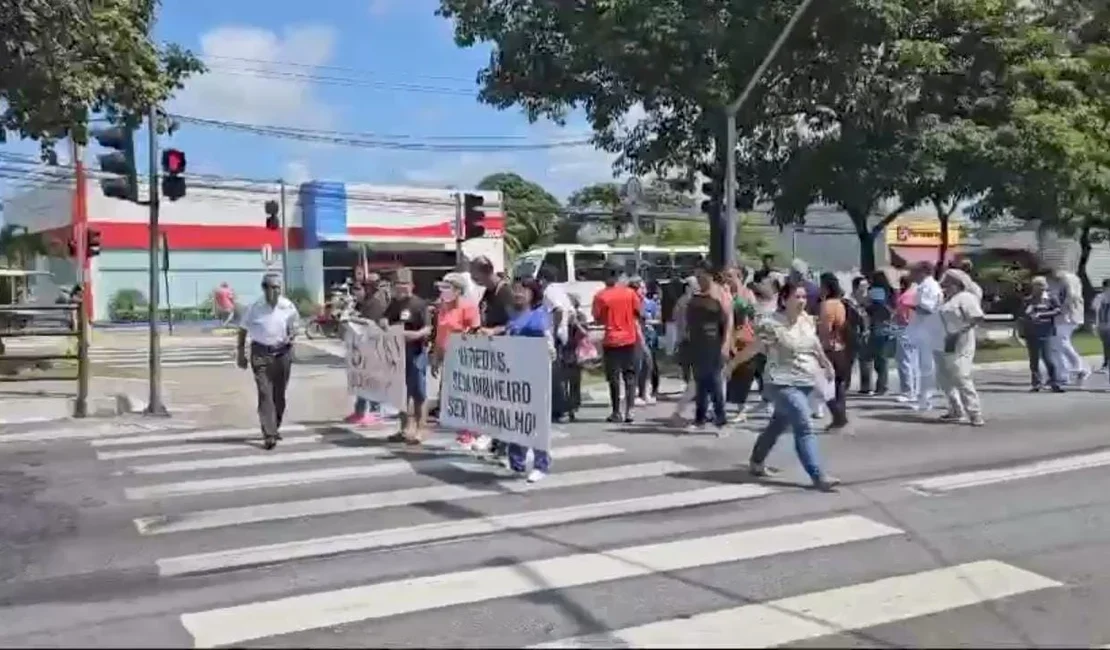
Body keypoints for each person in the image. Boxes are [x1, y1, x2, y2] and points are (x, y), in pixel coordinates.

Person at [732, 279, 839, 491]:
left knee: (777, 425)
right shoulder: (771, 324)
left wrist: (826, 363)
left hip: (805, 381)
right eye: (796, 296)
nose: (802, 301)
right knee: (804, 424)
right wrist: (730, 366)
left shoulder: (806, 320)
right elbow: (754, 348)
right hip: (780, 383)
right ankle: (818, 475)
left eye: (804, 297)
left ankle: (756, 462)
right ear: (784, 299)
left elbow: (815, 344)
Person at [236, 273, 299, 450]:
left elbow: (295, 326)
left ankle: (275, 425)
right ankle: (269, 434)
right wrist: (241, 354)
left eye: (277, 287)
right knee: (265, 393)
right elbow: (242, 330)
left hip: (282, 353)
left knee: (279, 395)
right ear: (264, 288)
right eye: (270, 287)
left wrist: (293, 335)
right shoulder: (254, 308)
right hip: (260, 353)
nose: (274, 291)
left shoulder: (288, 306)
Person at [505, 277, 557, 482]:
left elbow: (546, 339)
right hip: (516, 374)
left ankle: (541, 464)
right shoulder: (516, 315)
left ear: (532, 294)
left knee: (536, 421)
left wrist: (549, 349)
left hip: (534, 374)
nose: (518, 294)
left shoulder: (538, 316)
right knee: (517, 418)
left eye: (522, 291)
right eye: (516, 290)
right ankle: (516, 460)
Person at [431, 272, 482, 447]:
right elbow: (440, 334)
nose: (443, 292)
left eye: (447, 288)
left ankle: (472, 431)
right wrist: (436, 357)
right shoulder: (443, 309)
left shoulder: (468, 307)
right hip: (448, 357)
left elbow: (475, 331)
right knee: (454, 395)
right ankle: (463, 429)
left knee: (468, 395)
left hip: (464, 357)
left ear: (458, 290)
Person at [471, 256, 515, 454]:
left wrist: (494, 331)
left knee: (503, 399)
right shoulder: (488, 292)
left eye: (474, 274)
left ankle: (506, 441)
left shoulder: (505, 292)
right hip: (490, 350)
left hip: (505, 349)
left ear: (484, 272)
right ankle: (497, 439)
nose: (473, 278)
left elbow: (515, 322)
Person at [383, 268, 432, 445]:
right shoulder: (395, 304)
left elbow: (427, 328)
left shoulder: (419, 304)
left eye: (403, 284)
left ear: (411, 285)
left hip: (416, 351)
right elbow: (385, 319)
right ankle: (404, 427)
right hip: (398, 353)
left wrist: (414, 334)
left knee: (418, 391)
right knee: (400, 392)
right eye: (397, 284)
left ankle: (420, 428)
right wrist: (385, 324)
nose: (400, 288)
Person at [683, 262, 730, 433]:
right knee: (700, 382)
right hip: (697, 343)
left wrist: (726, 344)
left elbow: (728, 321)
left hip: (714, 343)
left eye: (701, 275)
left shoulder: (720, 294)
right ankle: (699, 419)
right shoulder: (696, 295)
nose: (698, 279)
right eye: (696, 276)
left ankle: (721, 420)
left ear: (709, 275)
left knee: (715, 382)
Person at [935, 269, 985, 425]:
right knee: (944, 377)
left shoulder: (965, 298)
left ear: (957, 283)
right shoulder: (945, 300)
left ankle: (974, 412)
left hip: (961, 340)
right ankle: (955, 409)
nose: (945, 285)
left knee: (961, 375)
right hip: (943, 341)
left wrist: (959, 332)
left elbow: (977, 318)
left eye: (948, 282)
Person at [592, 264, 642, 423]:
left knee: (613, 378)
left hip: (611, 340)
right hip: (630, 338)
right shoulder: (630, 294)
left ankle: (616, 412)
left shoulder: (600, 296)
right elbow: (638, 313)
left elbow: (598, 318)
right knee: (630, 376)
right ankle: (630, 411)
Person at [345, 279, 389, 426]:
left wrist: (353, 318)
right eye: (354, 290)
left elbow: (372, 323)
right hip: (361, 347)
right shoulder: (360, 304)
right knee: (361, 380)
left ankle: (375, 412)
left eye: (358, 289)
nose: (355, 293)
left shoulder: (375, 304)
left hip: (374, 346)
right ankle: (359, 411)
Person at [905, 261, 943, 412]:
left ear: (922, 272)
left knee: (926, 367)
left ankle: (925, 400)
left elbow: (928, 308)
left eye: (914, 272)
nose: (911, 275)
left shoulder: (929, 286)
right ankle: (923, 398)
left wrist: (911, 305)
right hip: (924, 330)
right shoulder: (924, 286)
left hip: (927, 330)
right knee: (924, 366)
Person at [817, 273, 852, 431]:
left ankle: (838, 417)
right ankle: (841, 416)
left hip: (828, 349)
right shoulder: (840, 304)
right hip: (841, 348)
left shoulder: (827, 305)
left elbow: (825, 329)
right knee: (838, 386)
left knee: (824, 386)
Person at [1021, 276, 1065, 393]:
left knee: (1048, 358)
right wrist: (1029, 313)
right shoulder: (1029, 300)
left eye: (1041, 286)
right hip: (1032, 332)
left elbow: (1057, 310)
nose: (1039, 289)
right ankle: (1036, 383)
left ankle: (1054, 382)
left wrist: (1042, 315)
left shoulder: (1051, 298)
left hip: (1046, 331)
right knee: (1034, 359)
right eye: (1037, 286)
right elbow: (1024, 314)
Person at [1047, 267, 1089, 385]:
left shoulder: (1068, 280)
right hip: (1063, 317)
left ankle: (1078, 367)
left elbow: (1070, 298)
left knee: (1061, 342)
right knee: (1057, 344)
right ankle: (1065, 373)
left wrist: (1060, 309)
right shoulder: (1061, 281)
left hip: (1068, 316)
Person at [862, 271, 897, 396]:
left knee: (871, 357)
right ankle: (882, 386)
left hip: (876, 325)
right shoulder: (891, 292)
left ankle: (877, 386)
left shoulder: (875, 291)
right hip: (888, 326)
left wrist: (864, 298)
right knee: (882, 358)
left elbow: (868, 306)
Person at [629, 276, 661, 405]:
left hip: (649, 336)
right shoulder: (631, 301)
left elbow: (658, 319)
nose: (643, 290)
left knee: (648, 365)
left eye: (643, 288)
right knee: (637, 365)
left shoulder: (649, 303)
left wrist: (648, 321)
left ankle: (645, 392)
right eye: (640, 288)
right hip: (635, 336)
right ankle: (636, 392)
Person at [894, 274, 918, 402]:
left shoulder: (905, 297)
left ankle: (908, 391)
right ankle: (914, 390)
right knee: (913, 361)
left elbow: (902, 315)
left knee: (904, 361)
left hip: (905, 328)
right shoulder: (915, 294)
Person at [1095, 279, 1110, 373]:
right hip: (1102, 324)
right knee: (1106, 345)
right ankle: (1106, 363)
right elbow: (1096, 310)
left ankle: (1106, 364)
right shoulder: (1099, 297)